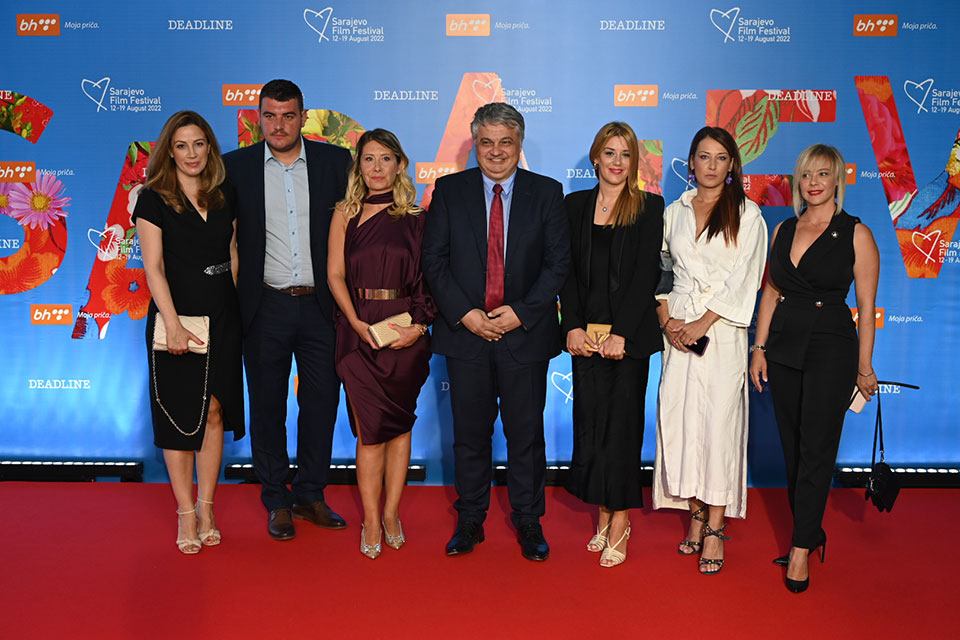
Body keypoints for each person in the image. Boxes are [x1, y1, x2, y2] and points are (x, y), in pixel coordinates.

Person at [422, 102, 571, 561]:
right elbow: (433, 260)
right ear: (475, 144)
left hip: (524, 335)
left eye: (506, 142)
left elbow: (558, 264)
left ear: (519, 143)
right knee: (469, 435)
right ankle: (471, 518)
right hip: (465, 334)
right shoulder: (449, 191)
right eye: (486, 142)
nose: (496, 151)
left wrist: (520, 313)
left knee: (526, 437)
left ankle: (529, 520)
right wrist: (465, 314)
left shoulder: (547, 192)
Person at [223, 79, 352, 540]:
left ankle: (311, 494)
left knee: (322, 403)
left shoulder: (336, 162)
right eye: (270, 116)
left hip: (322, 306)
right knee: (267, 405)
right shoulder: (234, 167)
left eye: (288, 116)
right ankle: (276, 498)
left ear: (303, 117)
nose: (278, 125)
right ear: (258, 118)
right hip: (265, 306)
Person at [749, 144, 879, 593]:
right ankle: (810, 530)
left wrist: (864, 367)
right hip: (783, 346)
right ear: (798, 182)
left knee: (817, 449)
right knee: (793, 448)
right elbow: (771, 292)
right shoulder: (784, 228)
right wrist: (759, 347)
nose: (814, 182)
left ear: (838, 179)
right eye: (807, 174)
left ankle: (801, 546)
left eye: (823, 174)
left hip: (831, 348)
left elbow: (866, 308)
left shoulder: (856, 233)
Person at [653, 126, 768, 574]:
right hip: (677, 331)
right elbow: (660, 268)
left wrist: (701, 323)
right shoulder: (674, 211)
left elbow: (745, 279)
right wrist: (668, 321)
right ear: (691, 162)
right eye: (704, 157)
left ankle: (716, 529)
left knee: (719, 427)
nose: (712, 166)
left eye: (721, 158)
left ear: (732, 164)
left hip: (720, 333)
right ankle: (696, 516)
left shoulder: (748, 214)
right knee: (682, 423)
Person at [134, 110, 244, 554]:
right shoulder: (153, 199)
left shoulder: (224, 193)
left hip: (223, 316)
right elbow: (154, 268)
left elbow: (232, 253)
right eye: (181, 146)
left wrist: (237, 309)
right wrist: (173, 324)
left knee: (214, 412)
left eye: (198, 144)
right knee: (180, 417)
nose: (191, 153)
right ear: (170, 151)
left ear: (209, 147)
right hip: (177, 318)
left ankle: (207, 508)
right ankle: (185, 512)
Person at [327, 129, 436, 559]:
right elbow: (335, 274)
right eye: (368, 158)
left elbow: (429, 281)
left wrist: (418, 328)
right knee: (370, 433)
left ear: (400, 165)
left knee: (401, 427)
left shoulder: (419, 218)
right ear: (359, 165)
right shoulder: (345, 213)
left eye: (385, 158)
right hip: (357, 332)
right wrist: (355, 322)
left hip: (405, 330)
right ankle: (371, 519)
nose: (376, 167)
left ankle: (392, 514)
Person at [559, 122, 664, 567]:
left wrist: (623, 332)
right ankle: (603, 510)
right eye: (609, 152)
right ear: (595, 157)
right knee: (591, 429)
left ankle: (620, 520)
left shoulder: (649, 206)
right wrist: (572, 326)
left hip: (627, 341)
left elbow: (645, 276)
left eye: (625, 154)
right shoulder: (574, 206)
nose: (617, 162)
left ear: (634, 161)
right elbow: (566, 272)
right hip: (586, 338)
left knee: (622, 431)